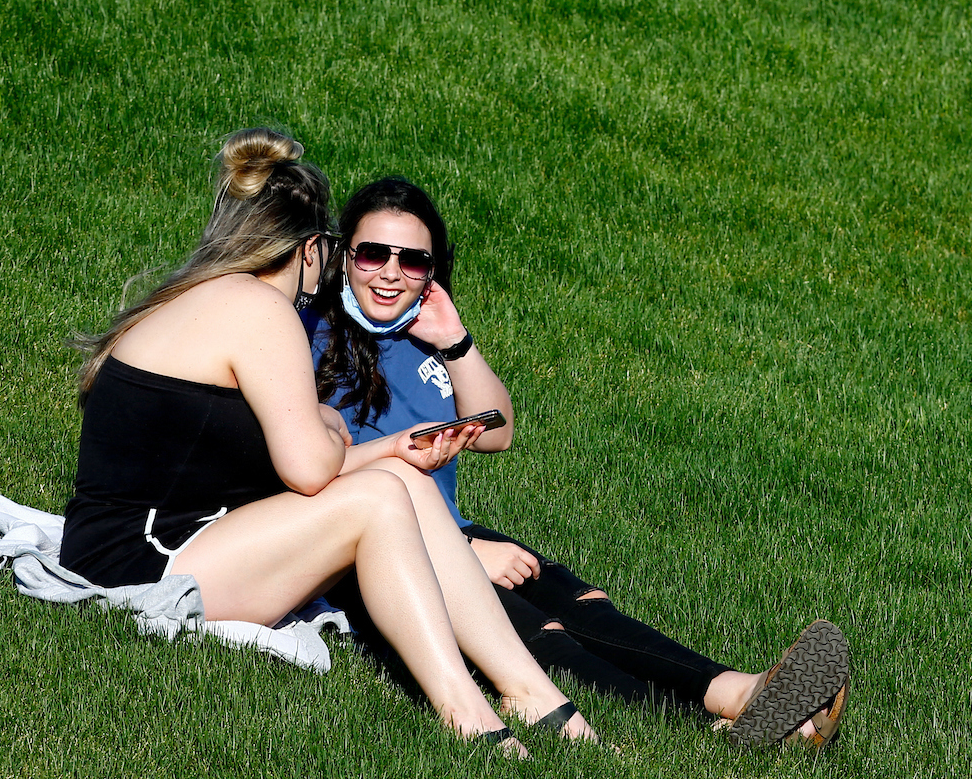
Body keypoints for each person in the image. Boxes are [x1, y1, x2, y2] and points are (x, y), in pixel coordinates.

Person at [59, 129, 597, 757]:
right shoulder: (262, 309)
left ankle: (532, 692)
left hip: (157, 539)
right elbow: (312, 472)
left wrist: (388, 451)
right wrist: (337, 436)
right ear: (312, 249)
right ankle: (464, 708)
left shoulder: (200, 295)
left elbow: (280, 453)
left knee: (403, 483)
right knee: (376, 498)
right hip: (142, 564)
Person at [306, 176, 851, 749]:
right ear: (345, 257)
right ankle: (702, 729)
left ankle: (738, 691)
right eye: (373, 253)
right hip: (378, 552)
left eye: (414, 260)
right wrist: (462, 554)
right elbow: (311, 473)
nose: (391, 272)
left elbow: (497, 431)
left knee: (582, 606)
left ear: (432, 270)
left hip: (452, 530)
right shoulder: (313, 339)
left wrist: (457, 341)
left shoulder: (424, 336)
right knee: (538, 630)